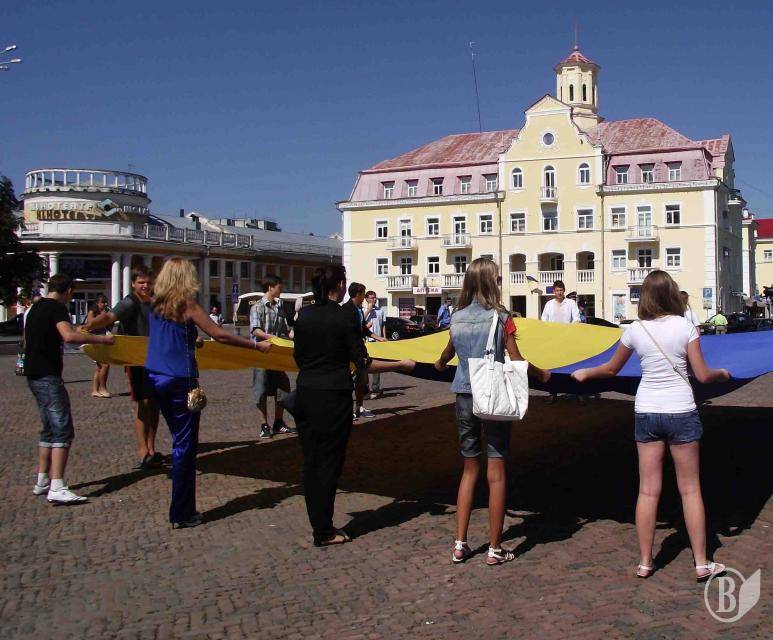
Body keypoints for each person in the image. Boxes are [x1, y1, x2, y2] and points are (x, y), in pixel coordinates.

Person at [571, 270, 729, 582]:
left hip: (647, 411)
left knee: (647, 490)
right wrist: (722, 374)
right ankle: (701, 562)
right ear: (671, 293)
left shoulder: (635, 329)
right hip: (681, 409)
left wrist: (586, 373)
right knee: (690, 489)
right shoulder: (685, 327)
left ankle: (645, 562)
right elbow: (702, 374)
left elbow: (612, 368)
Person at [434, 258, 550, 566]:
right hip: (492, 397)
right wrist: (541, 374)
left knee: (469, 469)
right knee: (496, 473)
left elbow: (445, 356)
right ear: (490, 282)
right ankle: (495, 549)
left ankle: (460, 544)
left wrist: (440, 364)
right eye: (497, 278)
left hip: (463, 395)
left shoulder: (456, 316)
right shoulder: (502, 317)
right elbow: (516, 358)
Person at [145, 258, 270, 529]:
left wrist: (191, 339)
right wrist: (254, 346)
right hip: (179, 378)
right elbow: (219, 334)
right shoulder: (186, 305)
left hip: (155, 375)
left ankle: (182, 509)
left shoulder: (154, 303)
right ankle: (182, 512)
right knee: (184, 446)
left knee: (178, 438)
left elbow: (168, 334)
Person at [25, 273, 115, 504]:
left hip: (34, 373)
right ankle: (57, 485)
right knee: (62, 429)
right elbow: (68, 336)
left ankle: (42, 480)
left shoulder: (35, 308)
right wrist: (102, 340)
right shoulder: (56, 308)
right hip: (48, 374)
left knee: (48, 428)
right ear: (68, 291)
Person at [85, 264, 161, 469]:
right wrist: (90, 325)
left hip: (156, 359)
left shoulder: (155, 302)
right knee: (143, 403)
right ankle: (143, 451)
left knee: (155, 404)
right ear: (133, 283)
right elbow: (110, 317)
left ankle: (152, 448)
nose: (145, 286)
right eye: (141, 282)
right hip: (136, 360)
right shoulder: (130, 302)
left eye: (148, 282)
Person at [250, 275, 294, 438]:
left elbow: (286, 330)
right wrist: (272, 338)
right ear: (270, 287)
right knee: (260, 389)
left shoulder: (279, 308)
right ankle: (264, 425)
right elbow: (256, 330)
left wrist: (296, 334)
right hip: (261, 354)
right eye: (279, 286)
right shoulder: (257, 307)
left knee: (283, 387)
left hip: (276, 355)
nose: (281, 289)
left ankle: (278, 422)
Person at [342, 282, 385, 419]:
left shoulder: (358, 309)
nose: (365, 298)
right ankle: (348, 410)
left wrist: (379, 338)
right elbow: (349, 335)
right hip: (350, 353)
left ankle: (359, 407)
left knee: (361, 381)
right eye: (363, 294)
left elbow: (363, 329)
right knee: (348, 383)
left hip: (360, 351)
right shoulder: (346, 310)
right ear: (358, 294)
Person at [541, 280, 581, 403]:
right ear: (554, 291)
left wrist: (569, 330)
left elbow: (577, 319)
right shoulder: (549, 304)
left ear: (564, 291)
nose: (559, 292)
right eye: (557, 290)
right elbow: (543, 321)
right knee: (553, 368)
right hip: (553, 341)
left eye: (561, 290)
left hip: (567, 341)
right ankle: (552, 393)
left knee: (571, 367)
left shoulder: (571, 303)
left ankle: (576, 392)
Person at [84, 294, 112, 398]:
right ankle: (102, 388)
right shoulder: (92, 312)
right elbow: (91, 325)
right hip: (94, 341)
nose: (104, 304)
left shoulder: (105, 312)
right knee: (105, 365)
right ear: (97, 303)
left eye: (106, 302)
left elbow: (107, 326)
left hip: (103, 340)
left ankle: (95, 390)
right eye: (102, 302)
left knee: (100, 367)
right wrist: (103, 316)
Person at [364, 290, 387, 399]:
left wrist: (384, 336)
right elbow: (360, 320)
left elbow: (383, 325)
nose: (374, 299)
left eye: (375, 297)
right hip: (367, 341)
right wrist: (368, 309)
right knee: (365, 366)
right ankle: (365, 389)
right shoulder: (362, 310)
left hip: (378, 341)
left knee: (377, 366)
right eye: (372, 298)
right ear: (367, 299)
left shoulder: (380, 311)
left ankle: (376, 388)